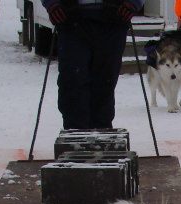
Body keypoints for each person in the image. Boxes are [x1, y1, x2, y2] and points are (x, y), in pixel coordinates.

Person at [42, 0, 145, 130]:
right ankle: (75, 137)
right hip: (71, 17)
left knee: (105, 83)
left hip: (113, 17)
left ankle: (101, 137)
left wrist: (133, 2)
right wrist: (52, 3)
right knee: (73, 81)